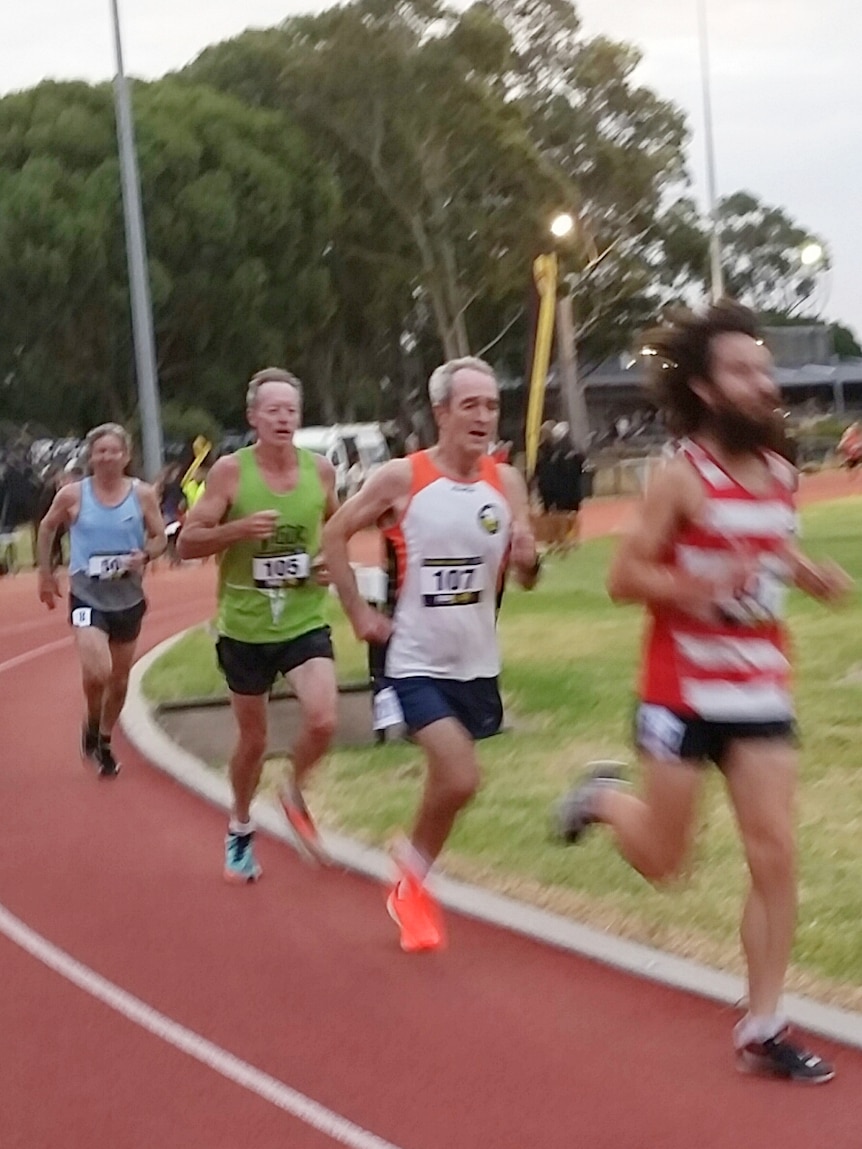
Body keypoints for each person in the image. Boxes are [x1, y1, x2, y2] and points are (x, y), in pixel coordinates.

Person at [554, 302, 851, 1083]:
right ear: (709, 390)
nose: (766, 382)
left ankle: (764, 1022)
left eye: (765, 367)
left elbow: (768, 545)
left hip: (757, 686)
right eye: (746, 371)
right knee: (664, 861)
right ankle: (603, 798)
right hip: (681, 691)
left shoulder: (782, 470)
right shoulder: (681, 477)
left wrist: (801, 570)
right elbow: (624, 577)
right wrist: (699, 581)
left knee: (775, 851)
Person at [323, 356, 541, 953]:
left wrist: (528, 556)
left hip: (478, 662)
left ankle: (411, 871)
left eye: (491, 405)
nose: (483, 416)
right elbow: (334, 534)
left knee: (458, 785)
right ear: (442, 412)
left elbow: (526, 578)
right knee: (461, 774)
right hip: (414, 660)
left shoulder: (508, 483)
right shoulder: (403, 477)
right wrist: (358, 613)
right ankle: (414, 876)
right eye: (469, 405)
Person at [178, 368, 339, 883]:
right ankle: (241, 827)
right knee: (253, 740)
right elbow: (186, 543)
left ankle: (293, 792)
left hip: (303, 618)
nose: (283, 418)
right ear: (253, 418)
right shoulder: (229, 473)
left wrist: (325, 564)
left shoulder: (321, 472)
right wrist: (238, 530)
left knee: (323, 719)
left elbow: (337, 530)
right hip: (245, 626)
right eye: (273, 410)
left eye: (291, 410)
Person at [37, 423, 166, 777]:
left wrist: (147, 554)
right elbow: (48, 527)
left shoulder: (141, 495)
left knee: (119, 680)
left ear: (126, 456)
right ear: (91, 457)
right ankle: (91, 723)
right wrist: (46, 573)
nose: (107, 457)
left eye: (114, 451)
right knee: (98, 671)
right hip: (85, 598)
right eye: (100, 451)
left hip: (128, 598)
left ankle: (104, 739)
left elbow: (160, 537)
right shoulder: (73, 495)